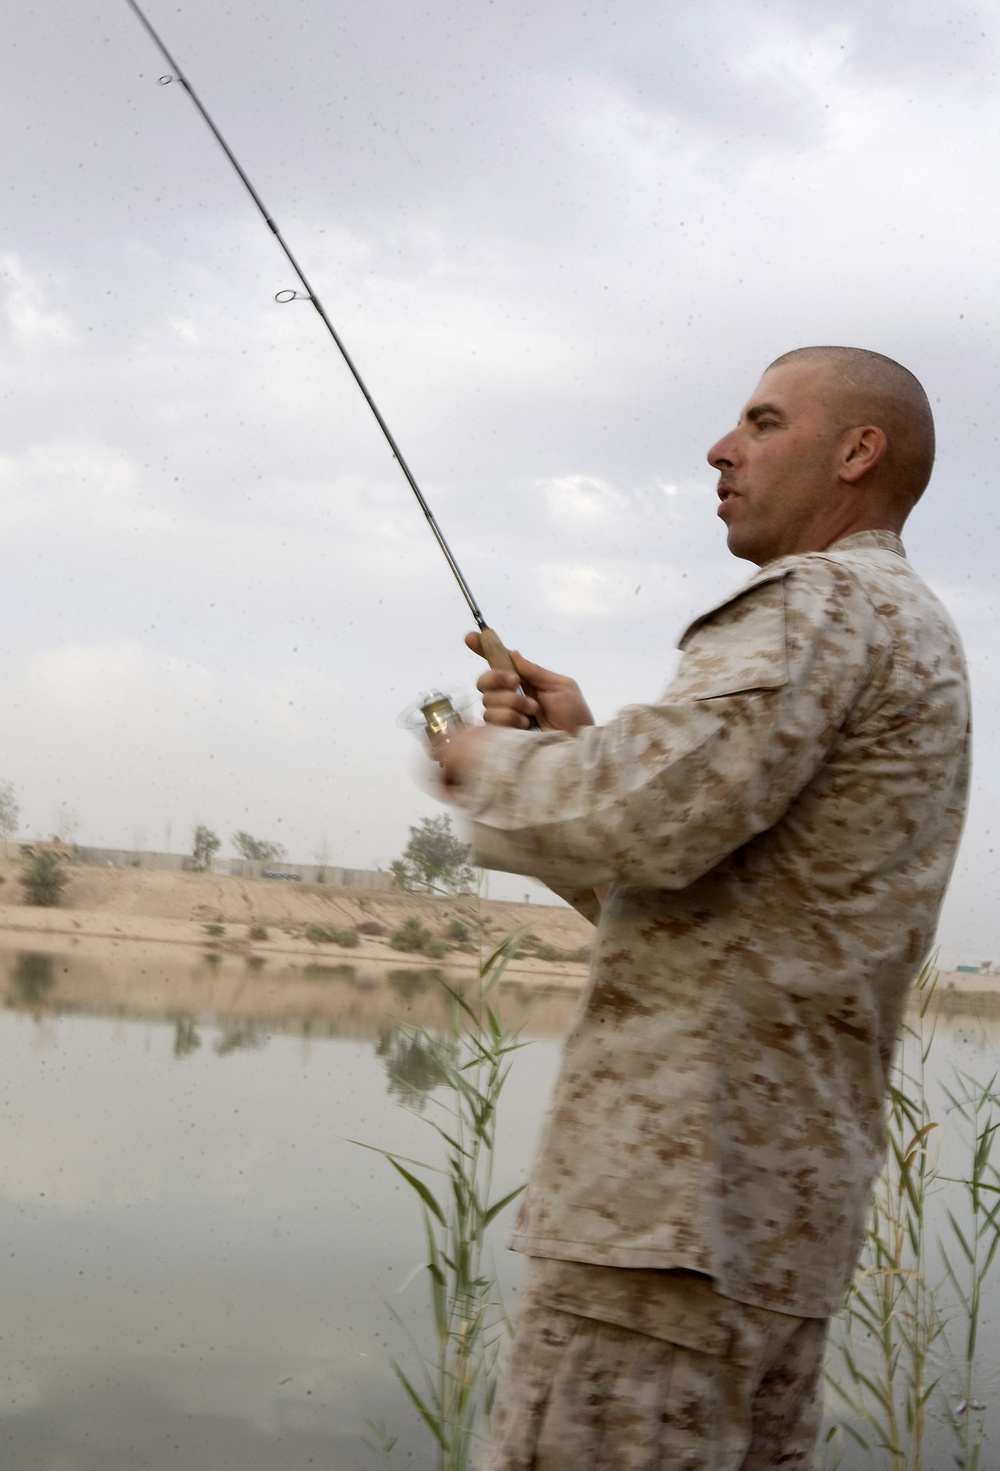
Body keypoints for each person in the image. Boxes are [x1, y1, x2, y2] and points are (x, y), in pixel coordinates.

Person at [429, 346, 971, 1470]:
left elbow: (652, 817)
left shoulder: (820, 602)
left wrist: (489, 764)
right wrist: (578, 749)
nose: (721, 449)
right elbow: (717, 895)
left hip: (662, 1231)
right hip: (769, 1232)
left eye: (763, 423)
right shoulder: (912, 627)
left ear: (855, 452)